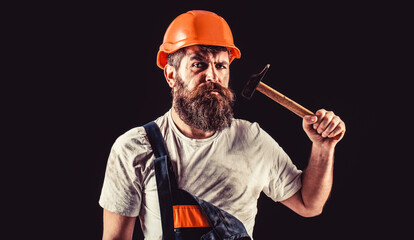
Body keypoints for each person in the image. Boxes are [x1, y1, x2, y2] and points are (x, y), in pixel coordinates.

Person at [99, 10, 346, 240]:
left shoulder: (252, 140)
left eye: (220, 65)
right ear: (171, 75)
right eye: (199, 64)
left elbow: (309, 204)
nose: (212, 76)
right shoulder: (135, 148)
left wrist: (323, 147)